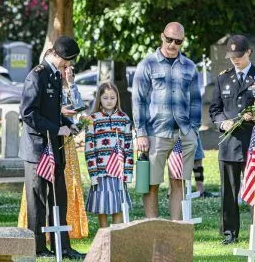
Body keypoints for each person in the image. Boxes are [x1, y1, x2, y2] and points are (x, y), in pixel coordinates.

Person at [209, 34, 255, 245]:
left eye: (239, 55)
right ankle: (230, 233)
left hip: (254, 142)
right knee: (229, 191)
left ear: (248, 52)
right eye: (232, 56)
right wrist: (223, 123)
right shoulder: (223, 78)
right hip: (230, 142)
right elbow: (215, 109)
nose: (235, 60)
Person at [19, 35, 85, 259]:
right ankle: (37, 247)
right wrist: (57, 130)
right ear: (56, 55)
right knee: (37, 199)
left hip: (53, 148)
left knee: (58, 197)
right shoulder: (36, 75)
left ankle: (61, 246)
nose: (69, 66)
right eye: (67, 60)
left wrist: (68, 125)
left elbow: (54, 112)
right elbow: (28, 114)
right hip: (37, 148)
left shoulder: (56, 76)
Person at [132, 22, 201, 220]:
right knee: (151, 184)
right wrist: (141, 133)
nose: (172, 44)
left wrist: (194, 131)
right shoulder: (147, 65)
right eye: (169, 39)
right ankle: (153, 225)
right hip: (156, 133)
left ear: (182, 41)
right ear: (162, 36)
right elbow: (139, 101)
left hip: (183, 134)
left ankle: (175, 228)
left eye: (177, 41)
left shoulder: (189, 67)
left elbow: (196, 100)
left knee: (178, 181)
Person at [84, 82, 133, 228]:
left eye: (113, 97)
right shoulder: (93, 119)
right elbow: (89, 149)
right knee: (102, 205)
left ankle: (116, 234)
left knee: (117, 203)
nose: (109, 101)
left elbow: (129, 148)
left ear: (117, 98)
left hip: (118, 172)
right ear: (100, 99)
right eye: (105, 98)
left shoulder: (124, 119)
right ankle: (103, 234)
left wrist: (127, 173)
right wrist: (93, 174)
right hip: (100, 171)